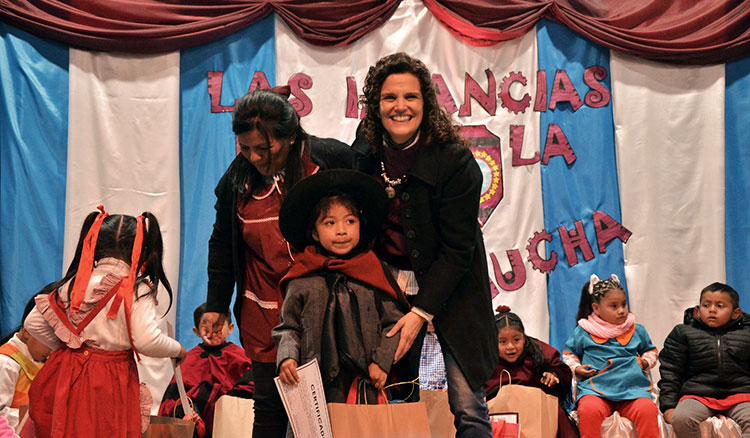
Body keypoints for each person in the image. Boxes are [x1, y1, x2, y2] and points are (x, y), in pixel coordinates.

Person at [352, 52, 497, 437]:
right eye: (389, 98)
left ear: (426, 103)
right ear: (375, 105)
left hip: (455, 289)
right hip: (389, 291)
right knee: (395, 401)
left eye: (411, 97)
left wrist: (421, 313)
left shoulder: (455, 161)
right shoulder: (364, 154)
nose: (400, 107)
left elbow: (457, 251)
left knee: (467, 404)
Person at [202, 87, 353, 438]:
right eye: (246, 148)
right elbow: (223, 242)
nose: (254, 157)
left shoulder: (329, 161)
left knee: (329, 411)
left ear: (290, 137)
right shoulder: (236, 181)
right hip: (265, 310)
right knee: (270, 407)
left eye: (264, 148)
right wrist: (216, 304)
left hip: (326, 309)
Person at [23, 207, 187, 438]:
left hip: (64, 374)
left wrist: (72, 344)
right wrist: (176, 348)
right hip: (108, 380)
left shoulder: (74, 283)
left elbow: (33, 323)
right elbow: (147, 340)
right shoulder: (135, 288)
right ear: (138, 249)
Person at [273, 169, 411, 407]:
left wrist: (382, 361)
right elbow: (288, 327)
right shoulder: (302, 278)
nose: (341, 230)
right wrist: (287, 357)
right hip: (314, 386)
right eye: (330, 222)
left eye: (350, 221)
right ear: (314, 232)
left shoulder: (372, 271)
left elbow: (394, 323)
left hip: (363, 384)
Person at [563, 274, 659, 438]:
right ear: (596, 308)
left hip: (632, 389)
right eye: (614, 306)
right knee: (589, 410)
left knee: (647, 409)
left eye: (623, 304)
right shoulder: (585, 331)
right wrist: (577, 368)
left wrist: (644, 362)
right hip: (596, 389)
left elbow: (651, 351)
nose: (621, 310)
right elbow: (569, 353)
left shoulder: (637, 330)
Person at [658, 282, 750, 438]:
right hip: (698, 394)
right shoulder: (683, 333)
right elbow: (671, 370)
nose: (712, 310)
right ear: (698, 310)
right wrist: (668, 406)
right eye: (706, 305)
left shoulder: (747, 334)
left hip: (740, 394)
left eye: (720, 306)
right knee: (681, 419)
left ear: (735, 313)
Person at [159, 303, 253, 437]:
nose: (212, 332)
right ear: (196, 331)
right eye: (206, 328)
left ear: (231, 328)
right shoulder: (189, 359)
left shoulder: (241, 357)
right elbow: (171, 399)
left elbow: (251, 390)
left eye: (218, 326)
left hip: (232, 423)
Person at [484, 306, 576, 438]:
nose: (511, 347)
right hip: (497, 413)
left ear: (524, 337)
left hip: (536, 411)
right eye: (503, 342)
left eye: (516, 340)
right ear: (493, 341)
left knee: (557, 413)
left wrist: (553, 375)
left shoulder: (535, 350)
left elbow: (560, 369)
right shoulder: (486, 359)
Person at [0, 295, 52, 429]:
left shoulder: (40, 360)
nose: (52, 350)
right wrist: (37, 418)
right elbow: (1, 415)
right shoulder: (5, 362)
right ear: (28, 331)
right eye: (48, 343)